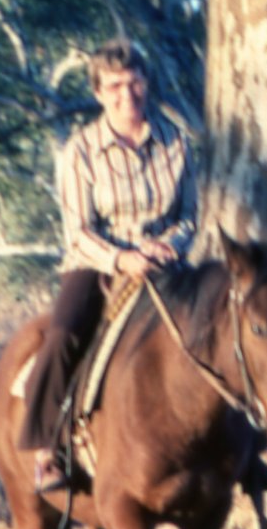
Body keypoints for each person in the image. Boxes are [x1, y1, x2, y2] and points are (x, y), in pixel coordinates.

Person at [21, 38, 200, 493]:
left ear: (146, 83)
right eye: (115, 86)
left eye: (135, 82)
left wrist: (168, 245)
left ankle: (248, 451)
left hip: (165, 263)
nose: (128, 94)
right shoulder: (80, 151)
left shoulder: (176, 141)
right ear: (99, 93)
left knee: (225, 324)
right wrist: (123, 258)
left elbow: (189, 216)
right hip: (97, 264)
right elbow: (78, 230)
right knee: (62, 336)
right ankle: (48, 451)